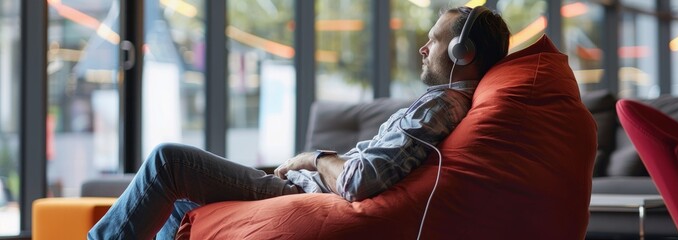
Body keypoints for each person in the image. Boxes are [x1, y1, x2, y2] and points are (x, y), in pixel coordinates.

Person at [89, 6, 510, 239]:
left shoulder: (440, 106)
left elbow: (361, 178)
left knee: (169, 162)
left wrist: (313, 158)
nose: (422, 48)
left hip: (302, 192)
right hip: (306, 189)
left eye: (434, 40)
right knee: (179, 200)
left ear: (461, 51)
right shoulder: (447, 103)